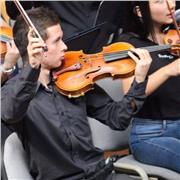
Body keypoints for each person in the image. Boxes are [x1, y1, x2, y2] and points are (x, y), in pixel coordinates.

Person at [1, 7, 152, 180]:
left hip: (100, 174)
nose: (65, 47)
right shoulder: (12, 92)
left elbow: (118, 118)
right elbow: (9, 113)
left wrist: (139, 81)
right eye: (57, 41)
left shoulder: (74, 79)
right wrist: (32, 68)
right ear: (35, 48)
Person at [117, 0, 180, 173]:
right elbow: (129, 94)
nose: (171, 5)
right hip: (150, 134)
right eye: (159, 1)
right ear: (139, 11)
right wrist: (169, 70)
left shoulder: (176, 37)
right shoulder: (129, 44)